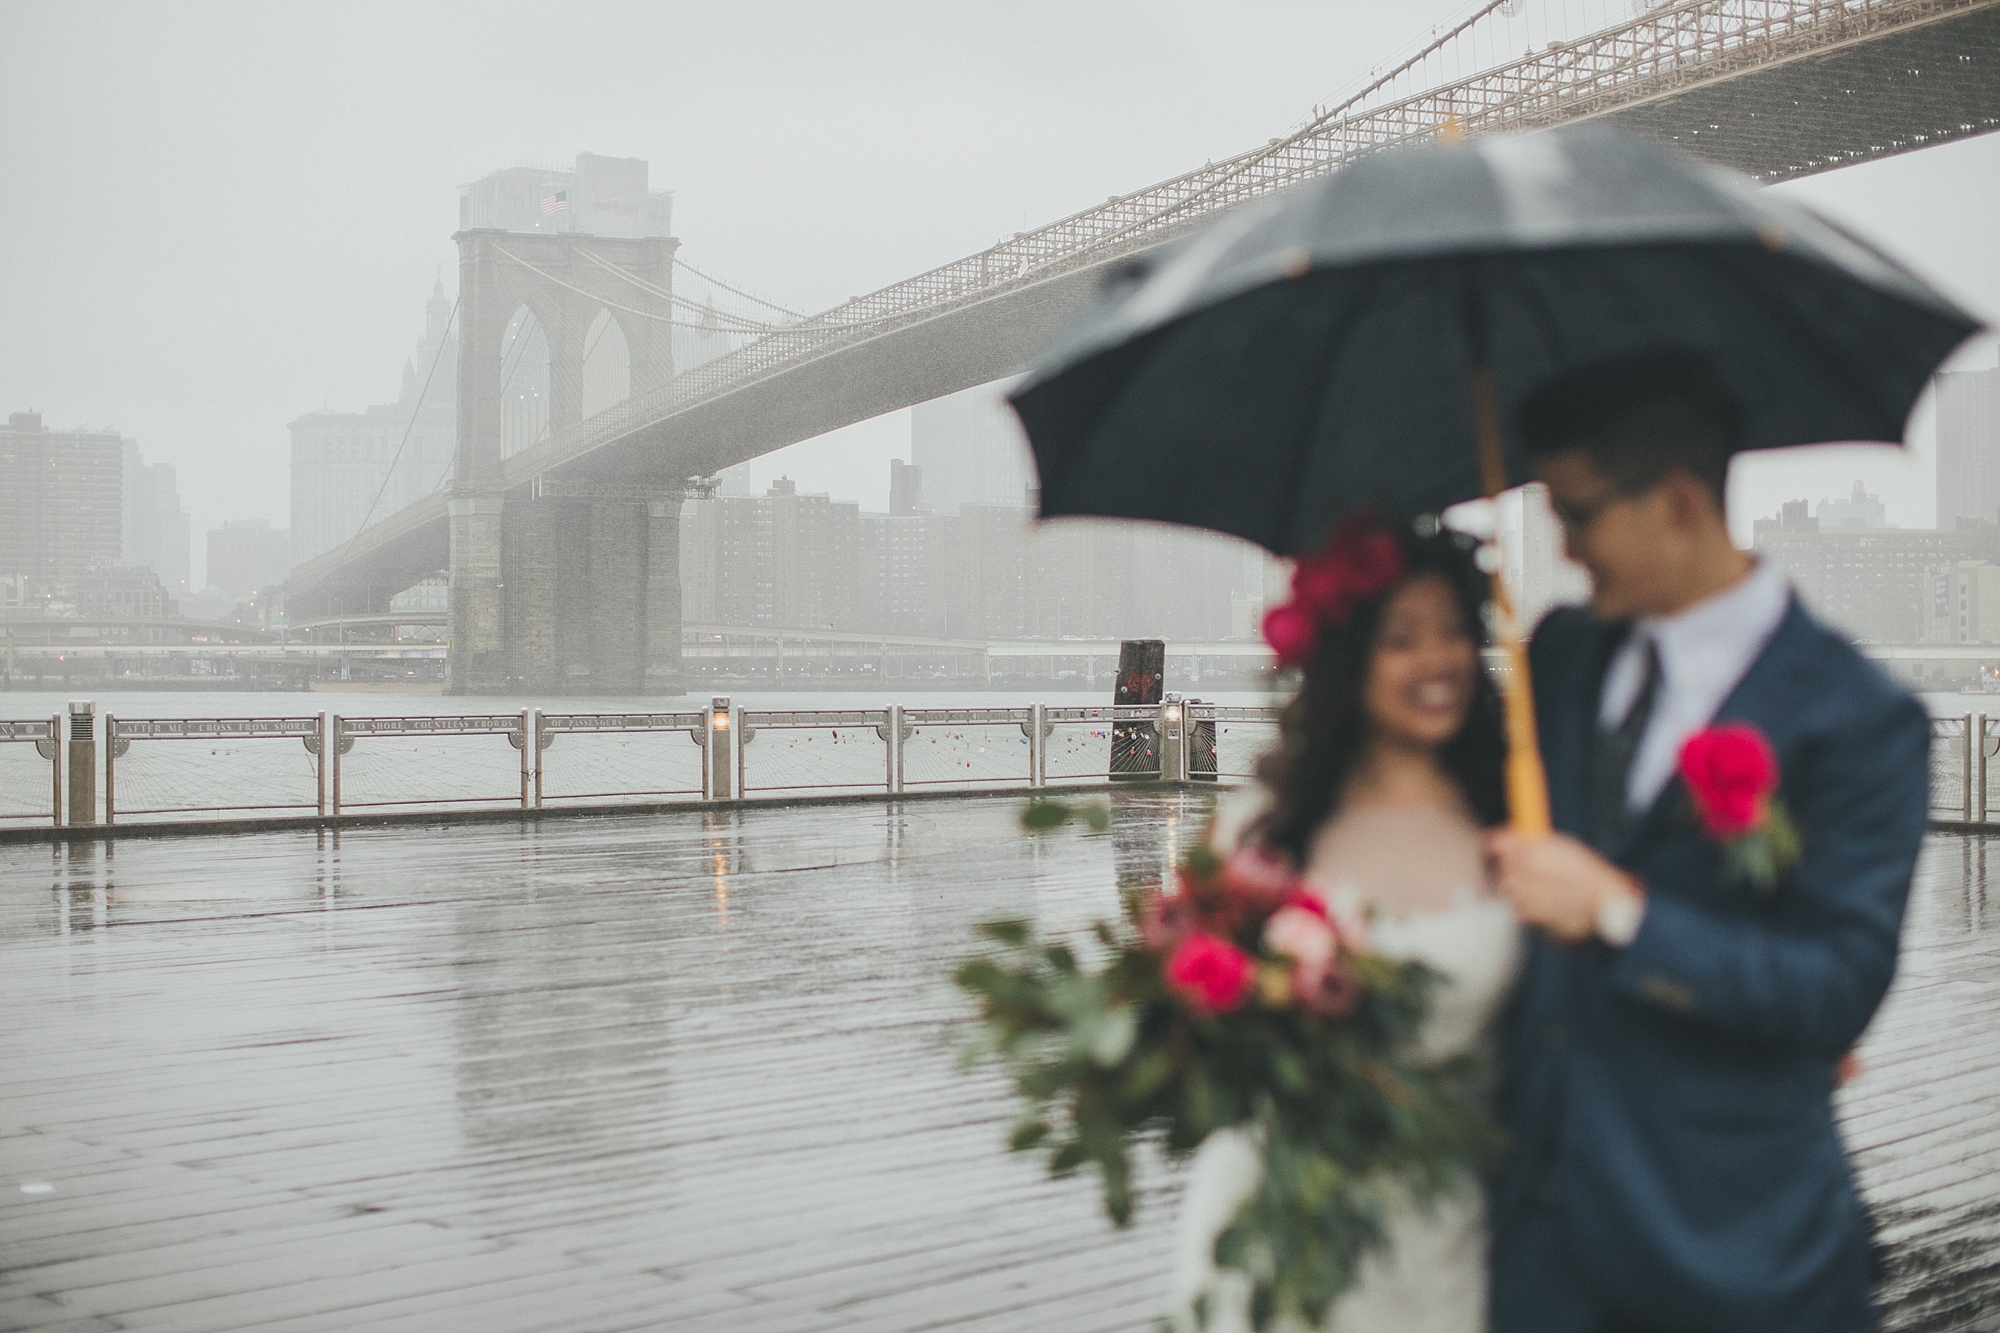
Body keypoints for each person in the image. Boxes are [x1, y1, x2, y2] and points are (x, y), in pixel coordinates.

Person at [1485, 352, 1930, 1333]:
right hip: (1538, 1262)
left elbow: (1833, 986)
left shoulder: (1857, 718)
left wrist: (1616, 910)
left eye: (1579, 515)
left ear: (1677, 502)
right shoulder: (1556, 658)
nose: (1564, 549)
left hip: (1733, 1256)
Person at [1169, 519, 1522, 1333]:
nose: (1438, 661)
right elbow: (1198, 1048)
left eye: (1452, 633)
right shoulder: (1263, 830)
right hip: (1276, 1221)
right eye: (1403, 639)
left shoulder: (1513, 822)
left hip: (1446, 1229)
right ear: (1348, 659)